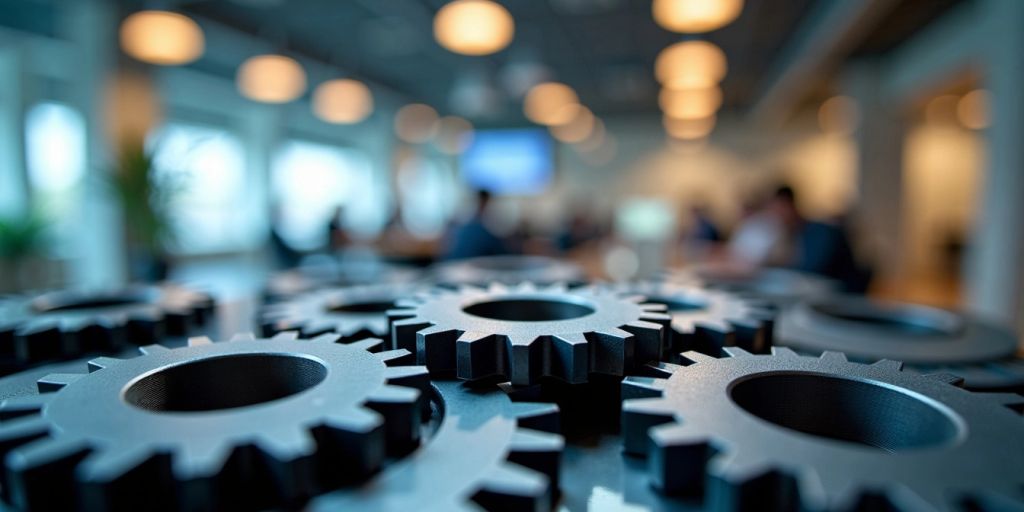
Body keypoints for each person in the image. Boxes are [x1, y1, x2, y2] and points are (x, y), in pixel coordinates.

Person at [442, 190, 513, 260]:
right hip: (466, 267)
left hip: (450, 264)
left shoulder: (463, 225)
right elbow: (501, 253)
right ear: (485, 202)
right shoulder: (481, 231)